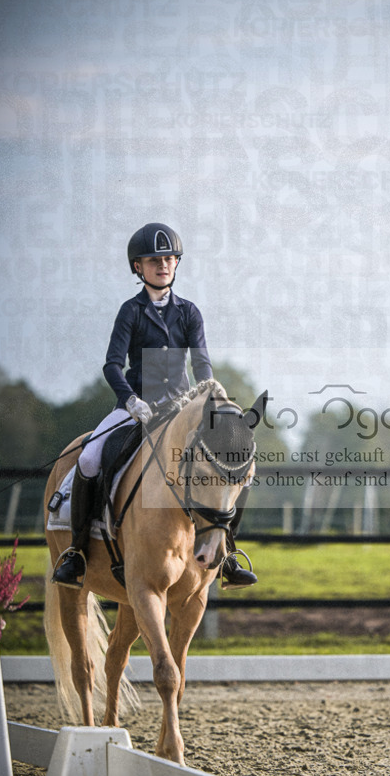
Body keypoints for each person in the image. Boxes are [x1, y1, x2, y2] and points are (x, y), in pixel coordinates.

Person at [51, 221, 257, 590]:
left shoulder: (189, 312)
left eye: (168, 258)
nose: (162, 265)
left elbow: (201, 362)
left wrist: (209, 392)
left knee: (228, 462)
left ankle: (227, 554)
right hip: (134, 408)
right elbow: (112, 364)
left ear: (177, 263)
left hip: (180, 409)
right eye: (153, 260)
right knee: (89, 458)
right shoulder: (130, 311)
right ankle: (78, 552)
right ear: (138, 267)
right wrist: (130, 399)